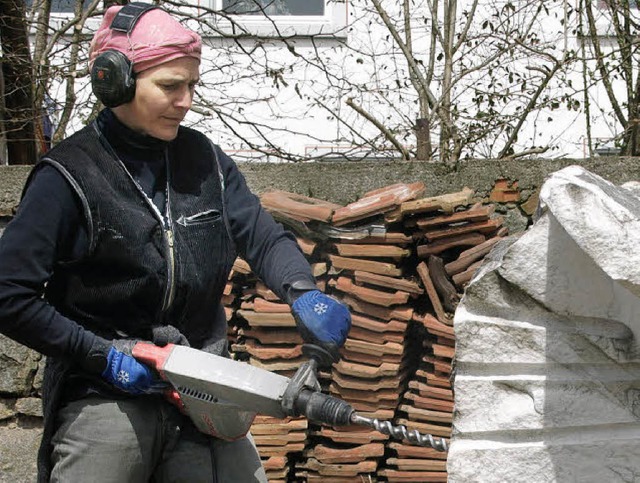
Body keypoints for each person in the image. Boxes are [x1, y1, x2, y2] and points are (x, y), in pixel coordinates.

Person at [0, 3, 351, 482]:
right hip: (107, 389)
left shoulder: (204, 160)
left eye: (191, 86)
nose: (186, 101)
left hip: (202, 385)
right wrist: (97, 353)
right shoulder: (67, 176)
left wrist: (300, 289)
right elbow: (9, 294)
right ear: (115, 81)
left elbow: (263, 237)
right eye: (170, 86)